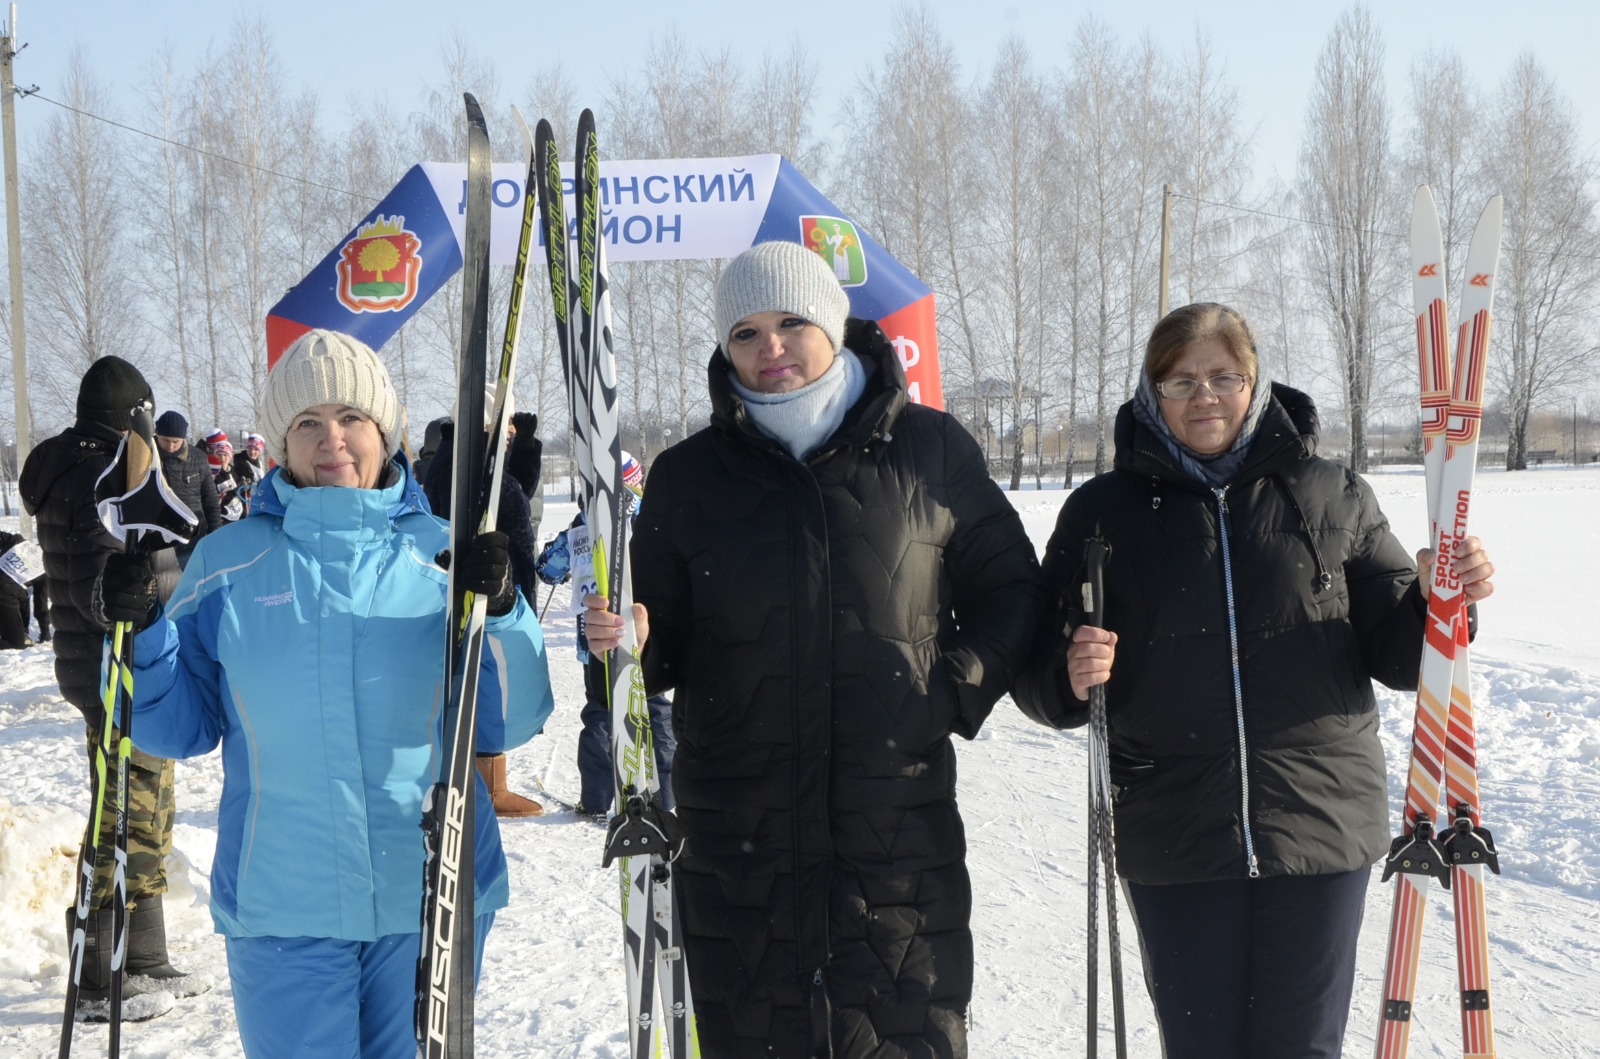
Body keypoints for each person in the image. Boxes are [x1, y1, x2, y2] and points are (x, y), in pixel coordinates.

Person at [583, 240, 1042, 1057]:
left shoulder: (929, 450)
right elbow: (658, 648)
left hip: (895, 842)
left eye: (792, 323)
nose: (772, 349)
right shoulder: (689, 477)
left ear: (834, 322)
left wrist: (949, 689)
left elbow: (1012, 590)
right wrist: (630, 645)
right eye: (746, 333)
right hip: (739, 849)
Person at [1011, 302, 1498, 1059]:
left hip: (1318, 823)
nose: (1203, 395)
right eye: (1179, 380)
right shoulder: (1100, 514)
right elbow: (1038, 674)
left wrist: (1445, 603)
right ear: (1151, 393)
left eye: (1222, 376)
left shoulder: (1331, 493)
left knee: (1301, 1046)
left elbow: (1403, 656)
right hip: (1175, 829)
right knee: (1201, 1046)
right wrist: (1071, 675)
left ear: (1254, 382)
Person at [94, 328, 555, 1058]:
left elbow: (513, 715)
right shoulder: (226, 564)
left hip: (429, 893)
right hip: (284, 903)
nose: (331, 438)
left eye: (351, 418)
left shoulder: (444, 554)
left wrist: (501, 611)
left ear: (385, 430)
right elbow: (171, 726)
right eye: (307, 422)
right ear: (280, 442)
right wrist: (143, 630)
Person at [19, 356, 202, 1023]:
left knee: (139, 809)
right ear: (136, 414)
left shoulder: (62, 466)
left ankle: (144, 958)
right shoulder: (103, 474)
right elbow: (104, 583)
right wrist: (143, 601)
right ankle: (102, 973)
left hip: (97, 665)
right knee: (121, 816)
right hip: (118, 666)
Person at [424, 396, 547, 819]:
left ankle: (488, 783)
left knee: (491, 686)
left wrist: (526, 449)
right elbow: (461, 509)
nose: (512, 433)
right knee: (486, 688)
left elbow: (518, 490)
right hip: (483, 588)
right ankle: (483, 788)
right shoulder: (462, 462)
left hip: (503, 586)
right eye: (508, 426)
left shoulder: (482, 460)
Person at [535, 452, 674, 818]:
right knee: (655, 711)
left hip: (597, 641)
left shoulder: (585, 525)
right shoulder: (653, 520)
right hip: (646, 638)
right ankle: (669, 798)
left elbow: (547, 570)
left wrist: (563, 550)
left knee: (601, 713)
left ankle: (596, 801)